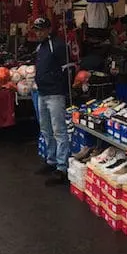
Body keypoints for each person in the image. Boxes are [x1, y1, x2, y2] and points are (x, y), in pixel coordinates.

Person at [33, 17, 71, 186]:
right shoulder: (40, 47)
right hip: (42, 93)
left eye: (41, 29)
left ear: (49, 29)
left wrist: (62, 86)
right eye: (37, 30)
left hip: (55, 94)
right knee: (46, 129)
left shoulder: (58, 45)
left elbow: (69, 68)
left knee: (59, 130)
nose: (39, 33)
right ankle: (51, 160)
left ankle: (62, 168)